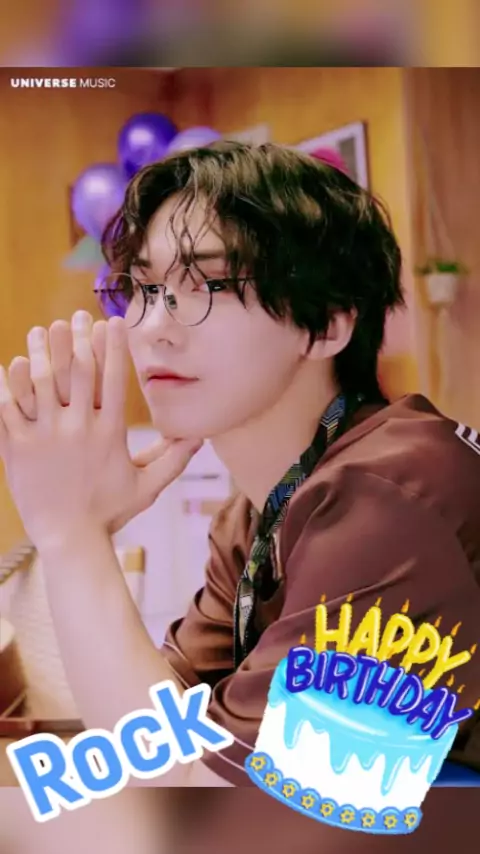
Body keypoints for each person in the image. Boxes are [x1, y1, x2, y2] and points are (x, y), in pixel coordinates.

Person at [0, 141, 479, 792]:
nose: (153, 327)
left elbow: (206, 808)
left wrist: (72, 536)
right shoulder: (261, 509)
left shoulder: (392, 498)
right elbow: (161, 728)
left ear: (326, 325)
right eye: (144, 288)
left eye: (206, 286)